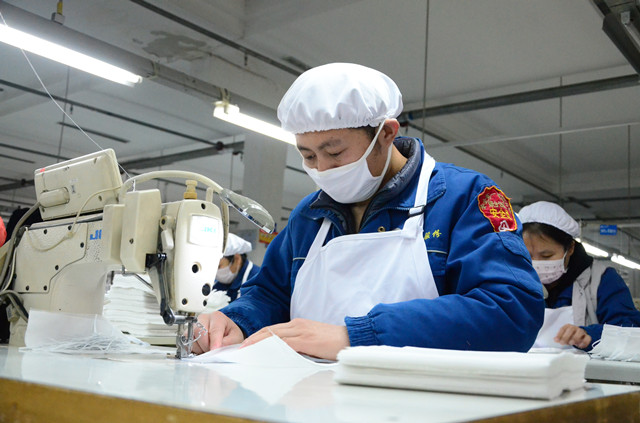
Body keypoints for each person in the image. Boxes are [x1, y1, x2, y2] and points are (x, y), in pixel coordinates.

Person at [194, 63, 544, 360]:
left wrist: (357, 336)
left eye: (335, 152)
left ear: (386, 134)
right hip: (310, 400)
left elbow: (511, 311)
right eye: (308, 155)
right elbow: (270, 294)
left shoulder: (462, 197)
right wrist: (236, 320)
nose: (322, 169)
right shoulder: (309, 215)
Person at [519, 201, 640, 350]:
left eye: (546, 256)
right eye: (528, 256)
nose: (536, 263)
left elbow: (630, 332)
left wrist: (590, 335)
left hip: (585, 365)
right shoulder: (515, 281)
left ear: (570, 248)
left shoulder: (602, 280)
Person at [213, 233, 260, 302]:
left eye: (218, 267)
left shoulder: (258, 281)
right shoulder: (220, 284)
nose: (215, 273)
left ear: (237, 259)